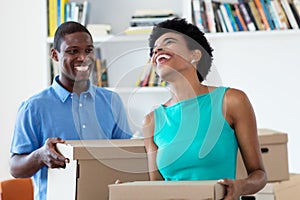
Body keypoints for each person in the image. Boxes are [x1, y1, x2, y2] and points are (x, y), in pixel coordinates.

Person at [143, 18, 267, 200]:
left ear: (195, 54)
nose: (158, 50)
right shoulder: (152, 121)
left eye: (168, 42)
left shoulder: (231, 101)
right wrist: (129, 192)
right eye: (154, 49)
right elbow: (157, 190)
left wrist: (240, 186)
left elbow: (259, 175)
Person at [10, 21, 132, 200]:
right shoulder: (34, 107)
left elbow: (125, 158)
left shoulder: (112, 101)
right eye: (73, 51)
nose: (83, 57)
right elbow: (15, 168)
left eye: (88, 50)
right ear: (55, 55)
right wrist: (40, 156)